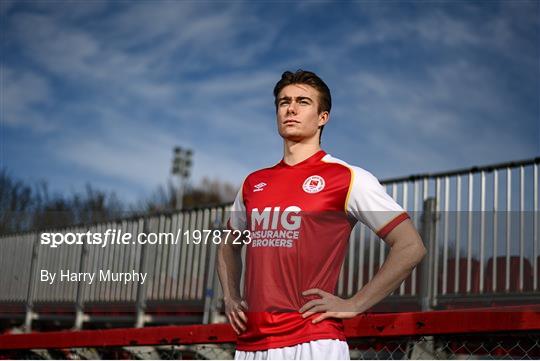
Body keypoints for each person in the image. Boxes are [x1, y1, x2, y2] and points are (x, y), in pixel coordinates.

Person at [217, 70, 426, 360]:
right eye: (283, 102)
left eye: (303, 102)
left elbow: (410, 246)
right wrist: (231, 296)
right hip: (252, 345)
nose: (290, 109)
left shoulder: (348, 177)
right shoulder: (253, 182)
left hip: (312, 340)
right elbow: (228, 243)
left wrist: (355, 304)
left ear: (322, 117)